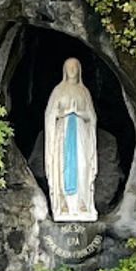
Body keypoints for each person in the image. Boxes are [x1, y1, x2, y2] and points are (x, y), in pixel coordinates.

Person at [44, 57, 98, 222]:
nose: (72, 69)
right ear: (64, 70)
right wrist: (65, 113)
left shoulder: (84, 91)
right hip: (63, 135)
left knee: (82, 167)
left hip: (80, 135)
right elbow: (50, 115)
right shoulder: (58, 91)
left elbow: (92, 116)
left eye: (75, 66)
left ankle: (82, 205)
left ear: (79, 69)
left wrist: (78, 113)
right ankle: (65, 206)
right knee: (63, 167)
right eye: (69, 66)